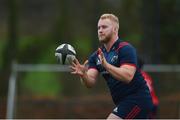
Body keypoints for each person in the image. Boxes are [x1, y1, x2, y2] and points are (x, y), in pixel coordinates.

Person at [70, 13, 153, 119]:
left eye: (104, 27)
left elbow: (128, 76)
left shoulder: (125, 49)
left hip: (137, 99)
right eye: (98, 27)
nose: (100, 30)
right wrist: (83, 75)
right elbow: (90, 82)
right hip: (122, 102)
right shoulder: (96, 56)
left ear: (115, 29)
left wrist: (107, 66)